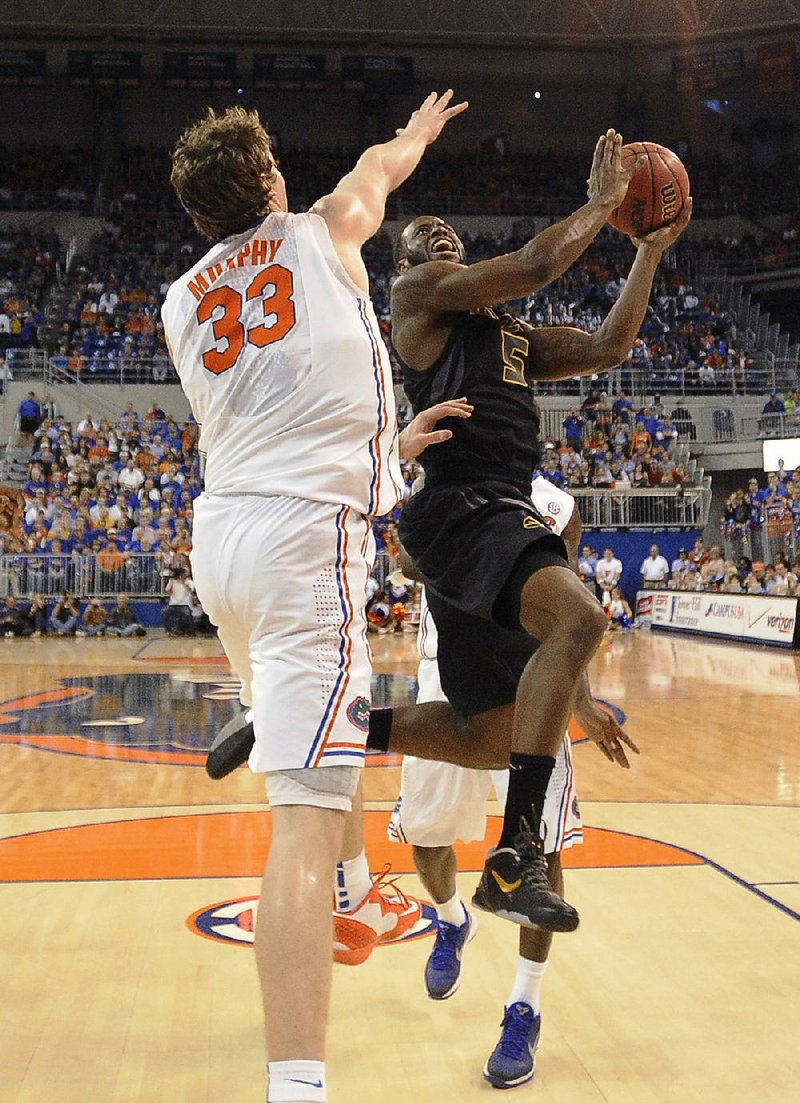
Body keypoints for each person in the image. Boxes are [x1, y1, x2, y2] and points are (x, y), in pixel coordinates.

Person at [162, 94, 471, 1103]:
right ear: (267, 183)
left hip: (223, 542)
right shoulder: (321, 226)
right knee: (299, 813)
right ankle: (297, 1084)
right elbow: (378, 170)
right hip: (304, 544)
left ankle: (345, 869)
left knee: (316, 747)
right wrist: (417, 139)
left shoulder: (177, 303)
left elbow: (277, 401)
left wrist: (383, 453)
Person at [390, 132, 688, 933]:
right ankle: (513, 847)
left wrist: (648, 252)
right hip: (463, 506)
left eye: (448, 233)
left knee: (485, 733)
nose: (439, 239)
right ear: (409, 264)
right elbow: (526, 266)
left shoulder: (513, 340)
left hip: (495, 514)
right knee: (583, 618)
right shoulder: (418, 301)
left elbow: (608, 346)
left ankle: (339, 725)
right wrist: (600, 204)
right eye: (425, 237)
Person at [389, 477, 629, 1089]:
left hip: (532, 689)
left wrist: (579, 700)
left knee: (539, 859)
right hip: (445, 681)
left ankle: (525, 1006)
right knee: (424, 836)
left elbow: (567, 619)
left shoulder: (557, 509)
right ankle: (450, 920)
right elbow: (407, 557)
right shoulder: (429, 492)